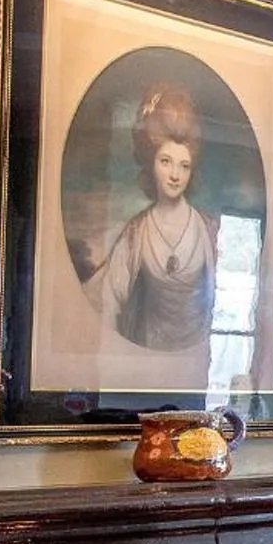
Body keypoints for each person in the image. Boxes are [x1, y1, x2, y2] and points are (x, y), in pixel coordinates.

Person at [85, 84, 219, 360]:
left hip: (196, 363)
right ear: (151, 163)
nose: (175, 175)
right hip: (145, 360)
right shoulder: (136, 232)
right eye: (166, 161)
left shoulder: (207, 230)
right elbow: (110, 301)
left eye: (184, 165)